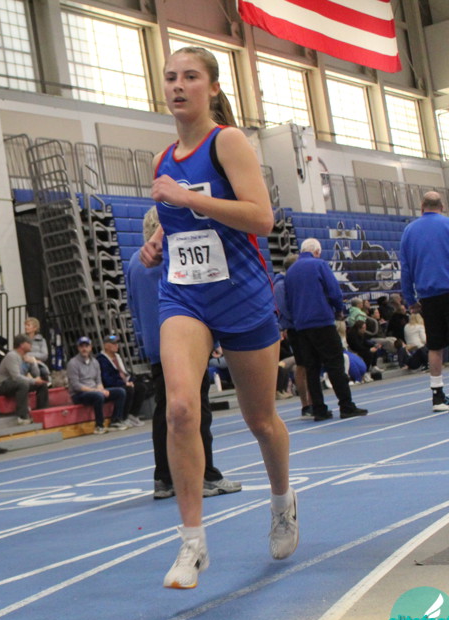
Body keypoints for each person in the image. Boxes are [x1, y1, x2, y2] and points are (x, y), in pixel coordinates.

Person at [139, 47, 296, 589]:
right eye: (170, 77)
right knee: (181, 408)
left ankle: (282, 502)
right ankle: (192, 543)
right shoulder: (162, 159)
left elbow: (261, 218)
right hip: (184, 296)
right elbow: (180, 220)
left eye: (190, 77)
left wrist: (186, 197)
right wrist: (159, 240)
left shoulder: (227, 142)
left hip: (242, 294)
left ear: (211, 87)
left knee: (261, 421)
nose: (178, 85)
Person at [125, 207, 241, 501]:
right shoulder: (174, 256)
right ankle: (206, 475)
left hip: (154, 343)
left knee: (165, 412)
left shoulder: (134, 263)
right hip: (183, 342)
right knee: (196, 409)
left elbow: (134, 305)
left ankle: (164, 478)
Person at [399, 191, 449, 411]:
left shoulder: (409, 230)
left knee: (435, 344)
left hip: (428, 296)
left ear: (422, 207)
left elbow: (405, 268)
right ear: (442, 207)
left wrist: (410, 299)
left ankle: (437, 395)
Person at [284, 238, 368, 422]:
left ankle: (319, 409)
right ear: (317, 251)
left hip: (301, 325)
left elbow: (288, 299)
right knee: (335, 363)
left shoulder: (290, 272)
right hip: (321, 321)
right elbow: (333, 290)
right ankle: (346, 405)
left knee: (311, 368)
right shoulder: (319, 264)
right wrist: (339, 309)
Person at [273, 253, 312, 418]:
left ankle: (313, 401)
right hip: (295, 328)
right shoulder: (281, 285)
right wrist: (298, 321)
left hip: (302, 326)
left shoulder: (292, 282)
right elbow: (284, 308)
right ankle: (306, 404)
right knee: (302, 366)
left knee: (310, 365)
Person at [66, 336, 128, 434]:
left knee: (120, 392)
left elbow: (98, 381)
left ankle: (116, 420)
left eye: (86, 346)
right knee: (98, 396)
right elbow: (76, 385)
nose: (84, 349)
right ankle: (99, 425)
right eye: (81, 346)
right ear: (78, 348)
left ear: (90, 347)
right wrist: (97, 391)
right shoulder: (73, 363)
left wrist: (102, 390)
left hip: (95, 391)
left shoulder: (95, 362)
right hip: (79, 394)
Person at [0, 334, 49, 425]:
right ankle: (22, 417)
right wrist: (34, 381)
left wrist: (33, 362)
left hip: (17, 383)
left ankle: (41, 412)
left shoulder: (26, 356)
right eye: (28, 342)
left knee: (42, 385)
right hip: (2, 385)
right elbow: (16, 377)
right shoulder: (12, 356)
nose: (31, 344)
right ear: (22, 345)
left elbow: (36, 375)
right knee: (23, 384)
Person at [96, 334, 144, 426]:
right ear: (106, 345)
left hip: (123, 382)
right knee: (128, 389)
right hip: (111, 385)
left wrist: (130, 380)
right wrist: (124, 383)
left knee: (141, 387)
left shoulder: (117, 356)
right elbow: (106, 379)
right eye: (113, 343)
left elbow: (124, 372)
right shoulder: (101, 360)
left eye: (117, 343)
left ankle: (132, 414)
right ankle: (122, 417)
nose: (116, 345)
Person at [23, 317, 51, 381]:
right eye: (25, 325)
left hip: (38, 364)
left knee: (43, 371)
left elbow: (45, 355)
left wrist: (32, 357)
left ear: (35, 328)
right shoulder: (22, 339)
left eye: (28, 325)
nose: (26, 327)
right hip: (25, 364)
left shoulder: (41, 340)